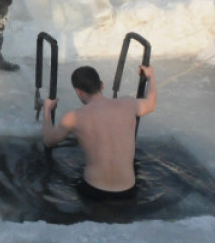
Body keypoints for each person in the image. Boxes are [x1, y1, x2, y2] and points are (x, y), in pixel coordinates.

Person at [42, 64, 158, 199]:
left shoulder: (74, 117)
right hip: (128, 191)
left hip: (93, 190)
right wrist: (150, 76)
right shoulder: (128, 104)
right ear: (102, 85)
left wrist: (47, 110)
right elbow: (151, 103)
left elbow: (48, 140)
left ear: (78, 91)